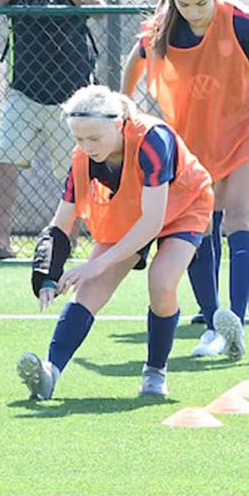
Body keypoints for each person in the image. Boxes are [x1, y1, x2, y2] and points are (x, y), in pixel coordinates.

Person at [17, 85, 213, 400]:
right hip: (132, 210)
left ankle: (155, 371)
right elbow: (60, 225)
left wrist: (98, 263)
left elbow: (153, 222)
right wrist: (46, 275)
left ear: (119, 124)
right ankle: (49, 373)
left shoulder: (153, 140)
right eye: (79, 139)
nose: (87, 147)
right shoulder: (82, 158)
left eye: (94, 138)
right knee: (90, 289)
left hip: (184, 205)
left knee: (162, 282)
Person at [121, 0, 249, 359]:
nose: (193, 12)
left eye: (201, 3)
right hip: (192, 142)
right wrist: (124, 109)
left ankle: (235, 320)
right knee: (202, 225)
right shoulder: (164, 29)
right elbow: (135, 62)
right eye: (184, 3)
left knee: (240, 217)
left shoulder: (239, 22)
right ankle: (213, 322)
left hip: (243, 132)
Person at [0, 0, 103, 259]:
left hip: (71, 96)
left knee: (74, 170)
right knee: (7, 162)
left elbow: (101, 9)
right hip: (24, 91)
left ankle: (69, 240)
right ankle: (1, 240)